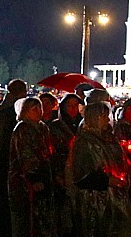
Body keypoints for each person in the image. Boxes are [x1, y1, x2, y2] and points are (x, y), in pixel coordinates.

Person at [69, 101, 131, 237]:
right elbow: (80, 174)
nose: (108, 120)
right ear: (95, 117)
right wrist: (106, 180)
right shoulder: (84, 141)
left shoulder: (109, 137)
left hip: (114, 197)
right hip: (94, 200)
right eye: (104, 116)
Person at [9, 97, 56, 237]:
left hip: (44, 175)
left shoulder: (42, 127)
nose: (38, 111)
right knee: (27, 219)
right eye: (33, 109)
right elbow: (25, 155)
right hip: (26, 181)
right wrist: (33, 178)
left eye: (39, 108)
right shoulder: (23, 128)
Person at [0, 78, 28, 237]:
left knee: (2, 197)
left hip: (0, 158)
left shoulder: (2, 109)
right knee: (7, 197)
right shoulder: (10, 112)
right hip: (7, 160)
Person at [48, 93, 84, 237]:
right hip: (62, 170)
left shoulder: (83, 125)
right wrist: (57, 174)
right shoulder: (55, 126)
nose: (73, 109)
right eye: (70, 106)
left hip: (80, 170)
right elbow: (51, 152)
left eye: (76, 106)